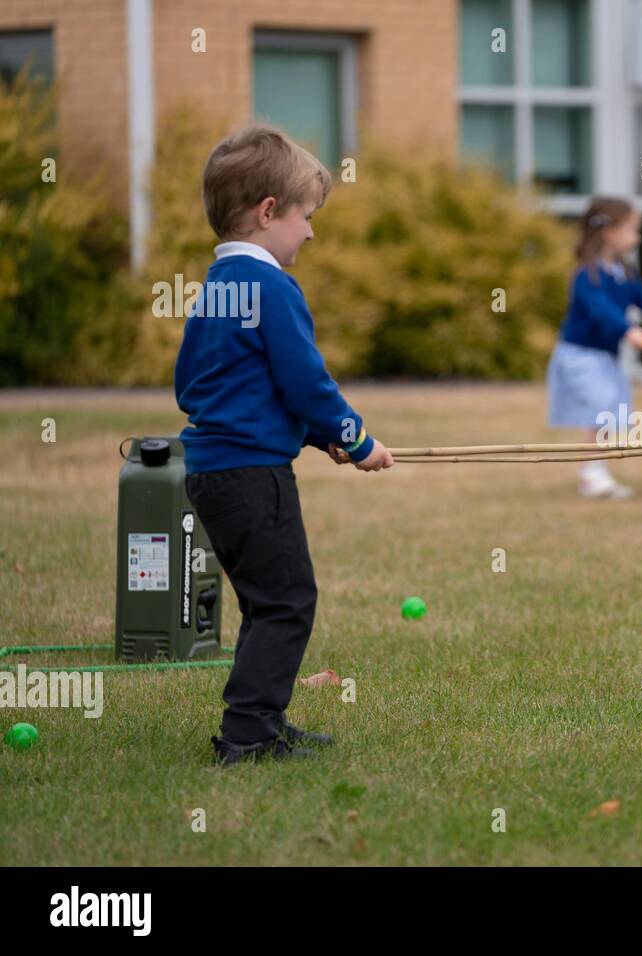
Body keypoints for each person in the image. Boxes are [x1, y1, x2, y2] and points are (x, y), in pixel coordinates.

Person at [174, 124, 394, 764]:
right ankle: (246, 735)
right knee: (288, 602)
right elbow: (305, 382)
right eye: (305, 217)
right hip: (253, 479)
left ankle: (261, 723)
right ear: (269, 212)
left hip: (212, 475)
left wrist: (308, 436)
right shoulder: (274, 289)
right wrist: (356, 439)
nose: (311, 232)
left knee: (266, 601)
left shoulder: (214, 292)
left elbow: (195, 384)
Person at [547, 196, 642, 498]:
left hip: (603, 357)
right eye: (632, 230)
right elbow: (601, 310)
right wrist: (628, 330)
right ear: (610, 233)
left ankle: (595, 468)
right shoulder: (587, 275)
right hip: (580, 355)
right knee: (602, 403)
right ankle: (592, 471)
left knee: (611, 408)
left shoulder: (624, 273)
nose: (637, 238)